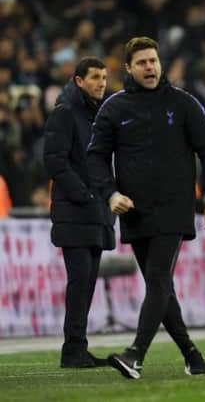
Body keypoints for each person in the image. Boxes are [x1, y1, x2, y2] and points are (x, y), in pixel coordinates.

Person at [87, 37, 205, 379]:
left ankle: (135, 354)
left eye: (153, 61)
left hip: (174, 208)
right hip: (134, 210)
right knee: (159, 286)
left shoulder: (183, 103)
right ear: (129, 69)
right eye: (142, 63)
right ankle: (193, 357)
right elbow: (95, 157)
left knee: (159, 278)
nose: (150, 67)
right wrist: (110, 194)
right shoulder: (114, 108)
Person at [43, 57, 114, 368]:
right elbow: (54, 161)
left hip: (96, 211)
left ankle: (77, 348)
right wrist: (84, 194)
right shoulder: (65, 113)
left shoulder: (100, 115)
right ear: (79, 81)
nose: (101, 82)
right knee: (80, 280)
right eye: (95, 77)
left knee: (87, 283)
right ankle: (72, 349)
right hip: (76, 210)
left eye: (104, 77)